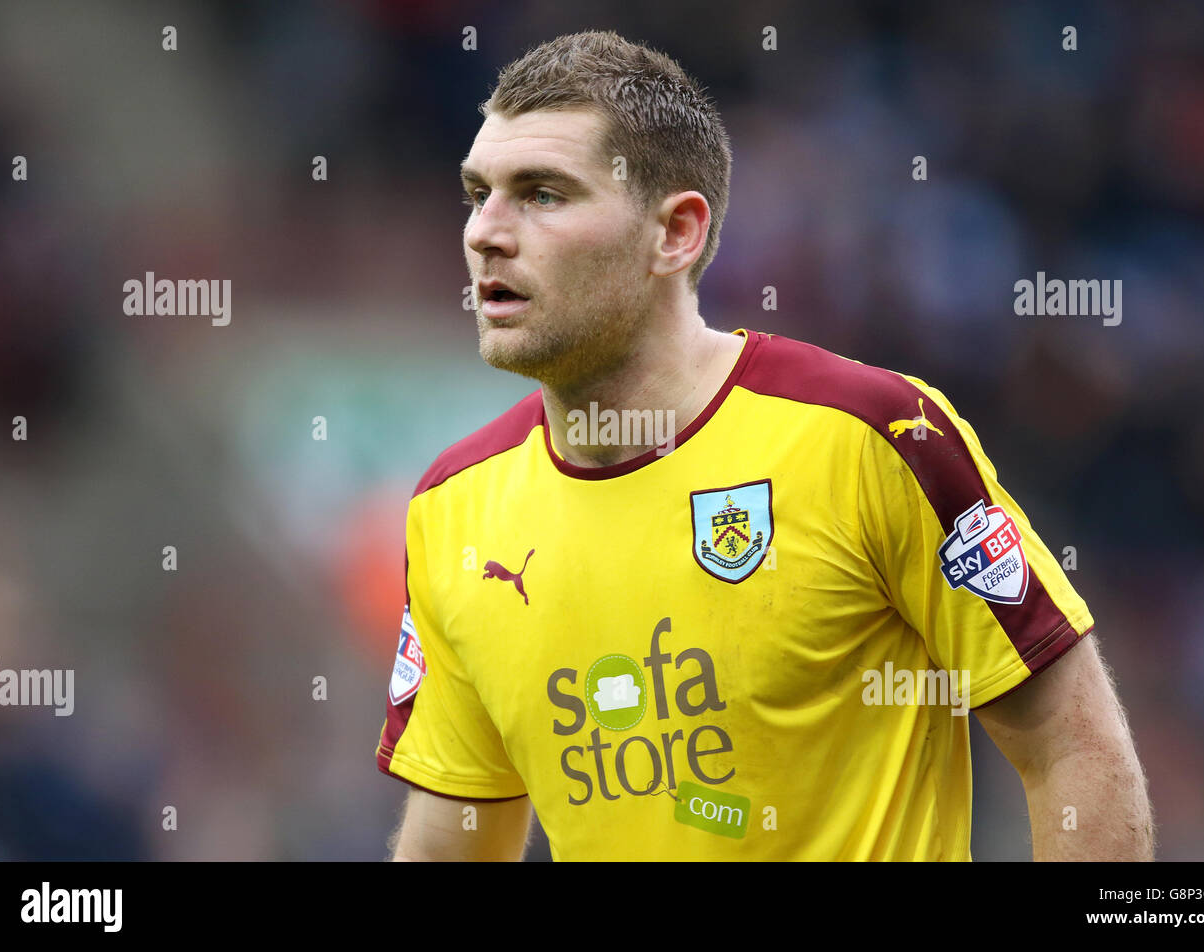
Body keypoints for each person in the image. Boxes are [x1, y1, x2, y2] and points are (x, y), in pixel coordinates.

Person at [375, 30, 1153, 860]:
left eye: (542, 194)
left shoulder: (870, 435)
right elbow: (451, 844)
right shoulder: (452, 508)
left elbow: (1074, 748)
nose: (486, 233)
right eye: (477, 193)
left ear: (674, 232)